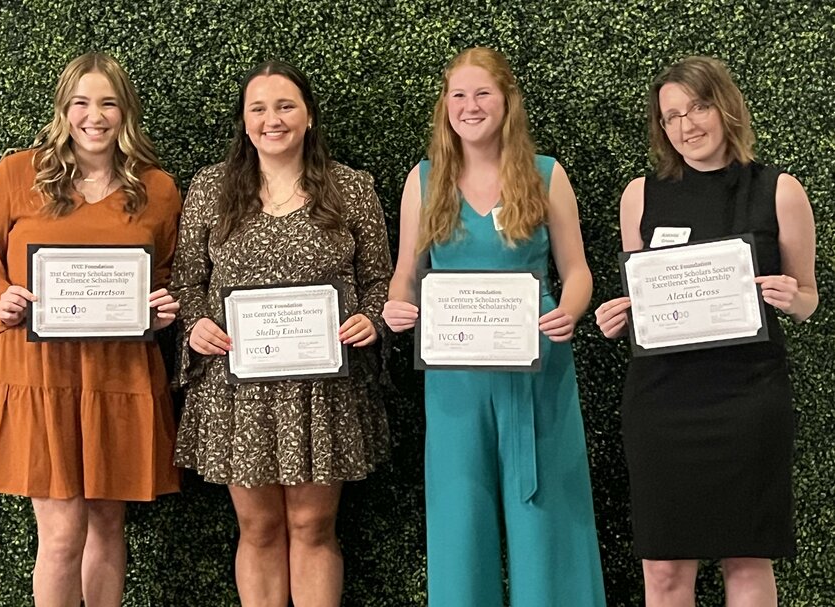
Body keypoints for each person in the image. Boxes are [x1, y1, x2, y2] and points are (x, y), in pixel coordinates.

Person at [383, 47, 606, 607]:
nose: (470, 106)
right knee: (461, 516)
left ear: (507, 101)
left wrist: (571, 311)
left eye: (482, 93)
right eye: (458, 95)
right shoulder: (424, 178)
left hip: (538, 367)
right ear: (444, 106)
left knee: (548, 515)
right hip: (454, 376)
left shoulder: (546, 174)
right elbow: (407, 274)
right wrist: (395, 305)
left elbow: (577, 271)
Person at [595, 56, 817, 607]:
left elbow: (809, 297)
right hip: (662, 402)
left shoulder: (779, 189)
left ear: (725, 107)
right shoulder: (640, 195)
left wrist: (795, 298)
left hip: (748, 399)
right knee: (664, 569)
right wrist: (616, 317)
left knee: (746, 561)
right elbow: (642, 293)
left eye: (697, 107)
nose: (686, 125)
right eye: (671, 116)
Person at [170, 60, 392, 607]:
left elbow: (381, 280)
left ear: (309, 115)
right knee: (260, 529)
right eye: (259, 108)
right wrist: (196, 325)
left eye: (286, 105)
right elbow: (188, 281)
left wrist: (372, 316)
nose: (273, 119)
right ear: (244, 123)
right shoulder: (211, 187)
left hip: (325, 388)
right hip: (235, 388)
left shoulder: (351, 187)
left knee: (315, 528)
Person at [0, 53, 181, 606]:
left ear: (126, 113)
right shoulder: (17, 174)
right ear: (63, 110)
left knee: (107, 527)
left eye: (108, 103)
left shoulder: (158, 189)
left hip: (116, 376)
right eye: (80, 103)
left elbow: (165, 274)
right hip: (40, 374)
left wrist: (163, 308)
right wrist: (1, 301)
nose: (93, 117)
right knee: (62, 533)